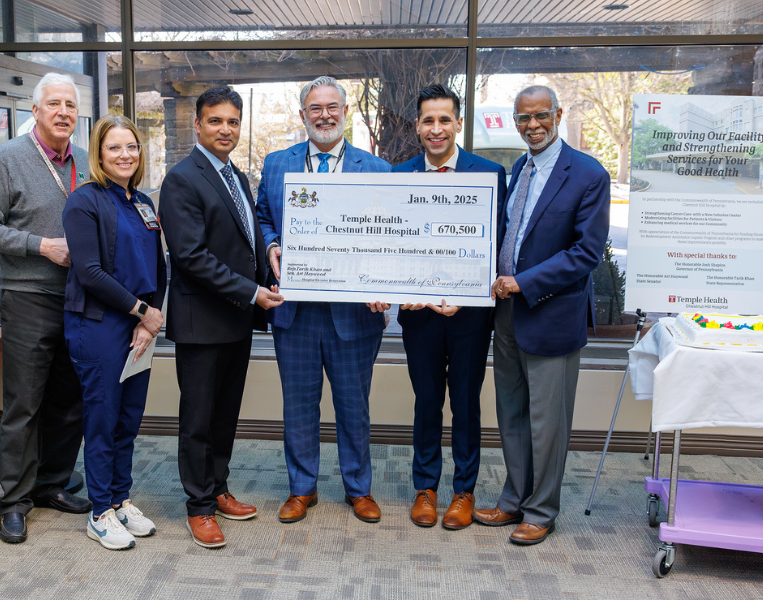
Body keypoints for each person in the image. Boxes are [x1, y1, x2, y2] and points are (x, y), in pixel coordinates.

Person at [472, 85, 610, 545]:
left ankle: (542, 510)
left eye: (540, 116)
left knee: (546, 421)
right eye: (523, 118)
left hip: (550, 314)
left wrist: (523, 282)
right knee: (510, 412)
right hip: (508, 314)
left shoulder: (588, 174)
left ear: (558, 114)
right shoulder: (519, 170)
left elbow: (585, 252)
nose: (532, 125)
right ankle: (513, 500)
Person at [256, 76, 391, 524]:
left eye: (333, 107)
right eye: (316, 108)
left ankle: (359, 488)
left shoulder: (376, 170)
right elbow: (261, 217)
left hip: (353, 315)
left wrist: (383, 284)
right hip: (295, 311)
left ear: (345, 112)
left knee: (354, 405)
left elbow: (391, 235)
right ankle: (302, 488)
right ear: (303, 115)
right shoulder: (276, 165)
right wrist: (271, 243)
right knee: (298, 404)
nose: (325, 116)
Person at [0, 72, 92, 544]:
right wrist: (41, 246)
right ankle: (13, 502)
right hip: (27, 297)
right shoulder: (8, 158)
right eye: (54, 104)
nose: (64, 112)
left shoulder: (85, 160)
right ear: (35, 111)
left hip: (80, 299)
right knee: (24, 403)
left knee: (69, 400)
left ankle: (51, 485)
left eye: (71, 105)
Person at [160, 86, 283, 549]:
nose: (225, 129)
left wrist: (268, 267)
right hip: (201, 321)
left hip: (236, 318)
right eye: (215, 121)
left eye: (233, 121)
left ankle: (218, 487)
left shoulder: (238, 176)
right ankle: (198, 506)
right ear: (197, 124)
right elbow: (191, 256)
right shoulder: (181, 179)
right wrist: (251, 291)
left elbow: (244, 239)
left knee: (225, 413)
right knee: (197, 417)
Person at [392, 84, 507, 529]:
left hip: (469, 316)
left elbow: (495, 244)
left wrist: (467, 293)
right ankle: (425, 487)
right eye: (427, 120)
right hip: (418, 314)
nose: (436, 129)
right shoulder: (399, 176)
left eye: (444, 119)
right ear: (417, 126)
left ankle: (463, 491)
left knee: (465, 401)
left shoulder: (491, 173)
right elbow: (390, 242)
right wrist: (399, 284)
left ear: (458, 123)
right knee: (425, 401)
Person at [62, 115, 167, 550]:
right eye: (114, 148)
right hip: (99, 324)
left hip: (140, 324)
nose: (125, 155)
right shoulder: (84, 201)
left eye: (132, 147)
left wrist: (150, 316)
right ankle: (99, 511)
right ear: (99, 154)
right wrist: (143, 311)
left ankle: (121, 499)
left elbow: (159, 266)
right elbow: (89, 271)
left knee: (128, 419)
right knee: (103, 419)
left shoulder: (141, 200)